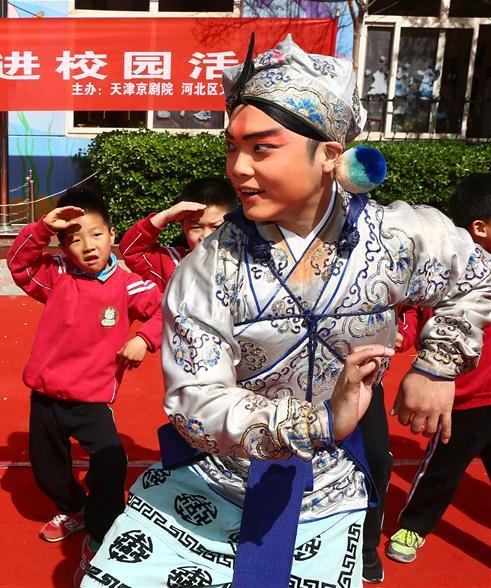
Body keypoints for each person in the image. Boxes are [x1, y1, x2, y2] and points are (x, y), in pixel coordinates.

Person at [82, 35, 491, 588]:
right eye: (232, 147)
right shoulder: (208, 267)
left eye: (262, 148)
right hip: (218, 477)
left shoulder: (397, 236)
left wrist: (438, 366)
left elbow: (475, 276)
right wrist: (318, 421)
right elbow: (194, 399)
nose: (238, 168)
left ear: (329, 155)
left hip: (332, 484)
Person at [7, 187, 162, 585]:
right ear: (62, 245)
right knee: (47, 470)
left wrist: (143, 339)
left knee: (111, 462)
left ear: (112, 234)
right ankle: (73, 506)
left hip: (92, 399)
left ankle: (100, 528)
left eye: (95, 234)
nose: (87, 246)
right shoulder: (55, 276)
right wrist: (43, 226)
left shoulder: (129, 284)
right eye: (74, 239)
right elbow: (19, 262)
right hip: (45, 395)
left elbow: (167, 309)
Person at [385, 173, 491, 565]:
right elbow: (414, 313)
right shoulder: (449, 278)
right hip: (462, 404)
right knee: (441, 473)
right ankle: (414, 525)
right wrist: (404, 332)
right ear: (479, 229)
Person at [120, 178, 237, 291]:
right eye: (195, 227)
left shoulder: (245, 264)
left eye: (216, 227)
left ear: (234, 226)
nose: (205, 236)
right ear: (183, 226)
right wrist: (165, 216)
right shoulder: (172, 264)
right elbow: (131, 250)